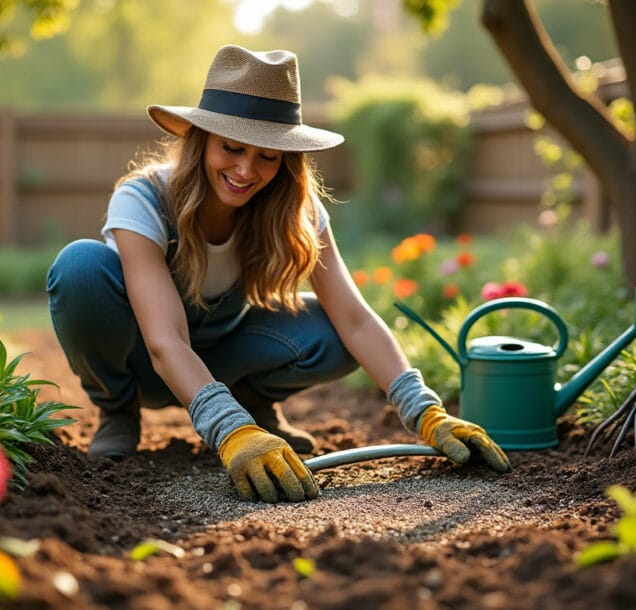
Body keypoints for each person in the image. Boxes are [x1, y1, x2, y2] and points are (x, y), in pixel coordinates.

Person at [47, 44, 511, 504]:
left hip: (229, 355)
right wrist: (229, 431)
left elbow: (356, 319)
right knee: (80, 268)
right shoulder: (144, 199)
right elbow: (165, 339)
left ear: (286, 159)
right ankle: (117, 410)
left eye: (267, 156)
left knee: (333, 333)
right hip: (145, 361)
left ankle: (253, 403)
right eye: (231, 147)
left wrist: (426, 411)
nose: (246, 170)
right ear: (201, 139)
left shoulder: (295, 209)